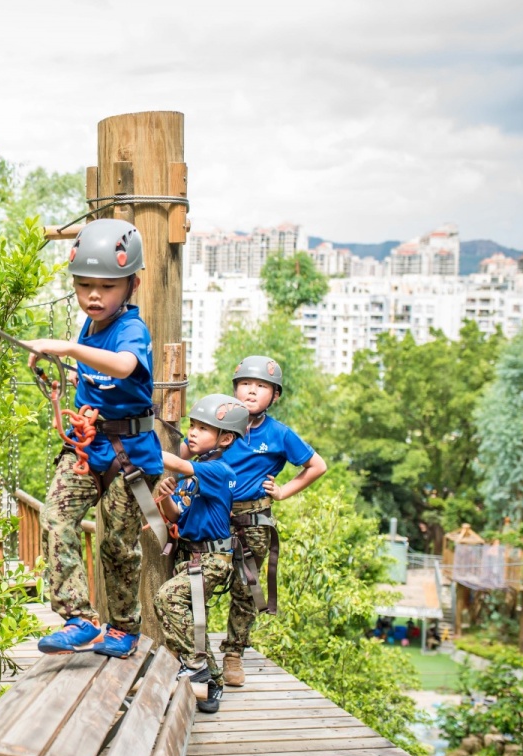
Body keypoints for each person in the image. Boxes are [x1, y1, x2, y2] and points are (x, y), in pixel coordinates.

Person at [25, 218, 164, 659]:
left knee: (117, 545)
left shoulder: (131, 330)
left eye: (106, 286)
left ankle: (123, 628)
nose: (93, 296)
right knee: (56, 515)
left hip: (130, 454)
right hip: (88, 446)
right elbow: (89, 360)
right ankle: (78, 618)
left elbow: (123, 366)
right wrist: (57, 354)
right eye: (84, 285)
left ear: (132, 285)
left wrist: (65, 349)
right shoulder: (89, 326)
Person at [215, 356, 327, 687]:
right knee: (196, 578)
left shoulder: (278, 434)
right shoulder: (217, 420)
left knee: (246, 588)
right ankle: (192, 651)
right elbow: (185, 452)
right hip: (213, 512)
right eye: (245, 384)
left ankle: (233, 654)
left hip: (253, 520)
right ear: (235, 389)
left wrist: (283, 492)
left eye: (261, 386)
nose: (251, 391)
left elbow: (316, 465)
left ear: (274, 396)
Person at [154, 394, 251, 714]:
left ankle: (195, 666)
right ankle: (213, 683)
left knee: (168, 598)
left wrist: (141, 447)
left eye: (202, 428)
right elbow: (177, 518)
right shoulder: (198, 476)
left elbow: (179, 463)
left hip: (212, 559)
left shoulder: (218, 469)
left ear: (224, 439)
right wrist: (167, 497)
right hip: (195, 556)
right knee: (194, 621)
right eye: (192, 426)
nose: (192, 432)